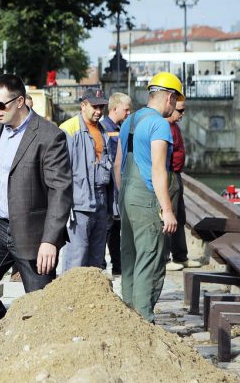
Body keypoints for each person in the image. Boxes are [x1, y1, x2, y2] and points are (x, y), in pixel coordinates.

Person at [0, 74, 72, 325]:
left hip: (34, 234)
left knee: (40, 305)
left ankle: (40, 351)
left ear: (20, 101)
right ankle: (4, 332)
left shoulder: (49, 136)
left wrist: (50, 240)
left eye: (1, 105)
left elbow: (60, 191)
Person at [113, 72, 182, 323]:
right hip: (146, 197)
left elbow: (118, 163)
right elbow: (158, 169)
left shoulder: (130, 120)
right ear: (170, 98)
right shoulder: (160, 125)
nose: (175, 108)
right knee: (149, 258)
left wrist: (123, 197)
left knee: (129, 258)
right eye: (176, 102)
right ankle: (144, 320)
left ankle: (128, 317)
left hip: (127, 194)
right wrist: (167, 209)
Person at [60, 88, 113, 270]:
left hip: (100, 201)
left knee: (96, 258)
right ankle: (68, 296)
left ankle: (91, 298)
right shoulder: (69, 129)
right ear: (83, 105)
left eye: (102, 107)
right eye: (95, 106)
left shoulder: (103, 131)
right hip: (79, 204)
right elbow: (60, 172)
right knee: (77, 255)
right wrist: (65, 206)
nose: (99, 111)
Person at [165, 99, 201, 270]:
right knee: (167, 216)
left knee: (179, 217)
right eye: (180, 110)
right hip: (169, 173)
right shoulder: (164, 126)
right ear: (170, 108)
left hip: (176, 174)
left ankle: (180, 256)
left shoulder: (174, 126)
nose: (182, 114)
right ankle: (164, 259)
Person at [101, 92, 131, 276]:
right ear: (115, 108)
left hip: (114, 188)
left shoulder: (117, 128)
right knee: (107, 228)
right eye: (126, 109)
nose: (128, 113)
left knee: (114, 229)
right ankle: (104, 266)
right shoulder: (106, 128)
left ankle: (117, 266)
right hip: (109, 188)